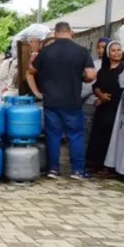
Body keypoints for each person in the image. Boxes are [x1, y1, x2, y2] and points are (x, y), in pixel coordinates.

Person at [28, 22, 97, 180]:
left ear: (55, 33)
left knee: (53, 135)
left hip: (51, 101)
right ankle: (77, 171)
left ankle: (53, 170)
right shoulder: (81, 51)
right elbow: (91, 75)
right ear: (71, 32)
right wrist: (82, 78)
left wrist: (35, 54)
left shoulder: (46, 51)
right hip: (72, 101)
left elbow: (31, 70)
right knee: (75, 135)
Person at [85, 41, 124, 174]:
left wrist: (104, 98)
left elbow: (121, 88)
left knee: (110, 135)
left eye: (119, 50)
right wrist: (100, 95)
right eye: (113, 50)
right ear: (108, 53)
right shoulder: (104, 69)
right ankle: (95, 162)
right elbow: (95, 85)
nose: (117, 53)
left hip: (116, 107)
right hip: (102, 108)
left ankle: (108, 165)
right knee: (98, 133)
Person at [81, 37, 111, 147]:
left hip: (97, 103)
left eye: (103, 47)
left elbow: (86, 89)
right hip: (92, 103)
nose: (100, 50)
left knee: (89, 133)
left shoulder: (95, 65)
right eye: (98, 47)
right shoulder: (94, 63)